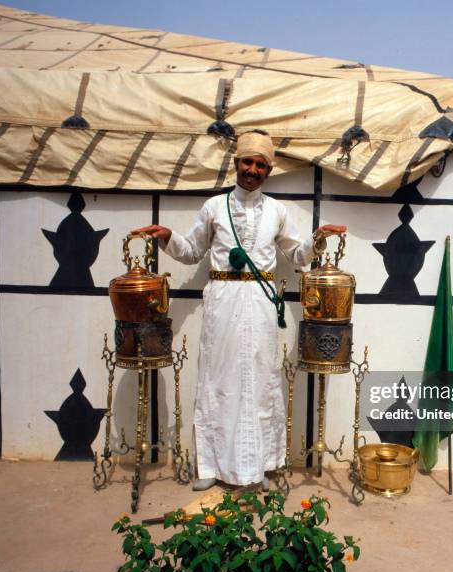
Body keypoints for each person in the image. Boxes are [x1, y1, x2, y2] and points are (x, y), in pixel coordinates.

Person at [133, 130, 344, 490]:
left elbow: (296, 255)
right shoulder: (214, 207)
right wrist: (167, 236)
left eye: (261, 164)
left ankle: (260, 466)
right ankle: (211, 468)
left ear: (268, 170)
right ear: (236, 164)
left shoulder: (277, 211)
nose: (253, 169)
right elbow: (190, 252)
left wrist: (318, 238)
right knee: (218, 380)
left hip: (260, 304)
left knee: (261, 381)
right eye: (248, 161)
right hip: (222, 301)